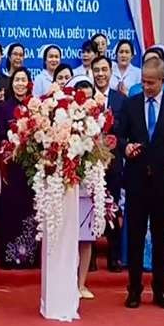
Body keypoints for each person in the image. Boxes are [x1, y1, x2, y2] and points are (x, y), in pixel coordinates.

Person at [116, 57, 164, 309]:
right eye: (144, 82)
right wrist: (126, 148)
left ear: (163, 81)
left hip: (163, 181)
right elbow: (118, 136)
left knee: (159, 237)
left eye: (152, 83)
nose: (147, 87)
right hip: (136, 180)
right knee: (134, 237)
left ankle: (160, 290)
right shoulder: (130, 104)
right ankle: (134, 289)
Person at [0, 68, 37, 269]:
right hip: (11, 166)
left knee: (28, 209)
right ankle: (10, 257)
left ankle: (27, 256)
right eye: (17, 80)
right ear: (11, 83)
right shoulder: (3, 107)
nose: (20, 83)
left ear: (29, 83)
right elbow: (1, 133)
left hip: (29, 168)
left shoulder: (35, 106)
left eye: (24, 80)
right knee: (10, 210)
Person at [67, 75, 100, 298]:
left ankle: (81, 284)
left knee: (85, 238)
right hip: (68, 185)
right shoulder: (63, 120)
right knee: (68, 237)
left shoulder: (99, 124)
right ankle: (67, 281)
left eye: (89, 98)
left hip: (89, 184)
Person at [91, 55, 125, 272]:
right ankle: (90, 256)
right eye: (97, 70)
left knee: (112, 207)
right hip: (91, 163)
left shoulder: (121, 99)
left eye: (104, 70)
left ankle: (114, 255)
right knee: (91, 207)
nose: (101, 74)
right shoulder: (85, 97)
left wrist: (115, 141)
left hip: (113, 162)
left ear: (111, 72)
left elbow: (127, 131)